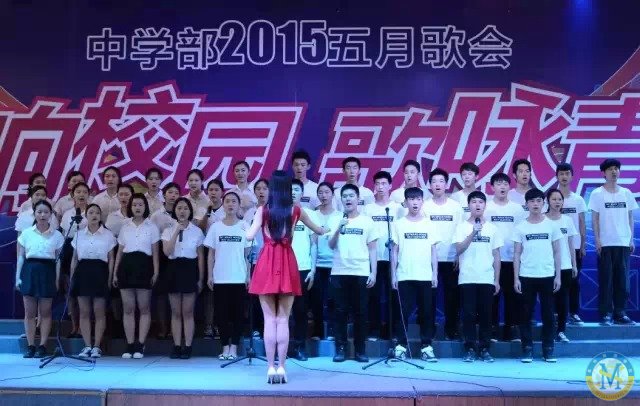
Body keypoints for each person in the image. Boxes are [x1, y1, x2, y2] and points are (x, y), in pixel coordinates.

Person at [246, 170, 326, 384]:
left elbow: (249, 235)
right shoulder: (296, 210)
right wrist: (328, 227)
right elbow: (319, 230)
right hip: (287, 261)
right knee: (283, 319)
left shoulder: (263, 210)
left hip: (266, 262)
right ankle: (282, 367)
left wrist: (254, 223)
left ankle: (270, 368)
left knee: (269, 319)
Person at [329, 184, 378, 363]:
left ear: (358, 199)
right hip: (339, 272)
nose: (348, 199)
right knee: (340, 312)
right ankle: (340, 349)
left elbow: (372, 249)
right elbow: (331, 245)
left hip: (361, 272)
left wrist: (373, 273)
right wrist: (338, 229)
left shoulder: (367, 221)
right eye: (345, 196)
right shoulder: (336, 219)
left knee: (361, 313)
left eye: (351, 196)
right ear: (341, 199)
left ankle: (360, 350)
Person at [513, 188, 562, 363]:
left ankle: (548, 349)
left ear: (543, 203)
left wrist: (558, 276)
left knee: (548, 314)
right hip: (526, 275)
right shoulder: (520, 227)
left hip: (547, 275)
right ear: (526, 204)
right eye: (532, 201)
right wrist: (516, 278)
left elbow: (557, 252)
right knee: (525, 314)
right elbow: (516, 254)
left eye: (539, 201)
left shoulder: (552, 225)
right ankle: (527, 349)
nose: (535, 204)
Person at [391, 187, 439, 362]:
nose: (415, 202)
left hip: (425, 275)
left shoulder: (429, 224)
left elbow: (434, 251)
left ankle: (426, 347)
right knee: (402, 313)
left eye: (418, 199)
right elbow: (394, 251)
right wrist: (393, 274)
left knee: (426, 313)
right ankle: (400, 346)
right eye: (411, 199)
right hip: (404, 275)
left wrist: (435, 274)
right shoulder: (398, 224)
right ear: (406, 202)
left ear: (422, 201)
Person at [589, 158, 638, 325]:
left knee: (623, 281)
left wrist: (631, 239)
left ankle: (620, 313)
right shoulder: (597, 193)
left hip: (623, 243)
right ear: (604, 173)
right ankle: (605, 314)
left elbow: (630, 217)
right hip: (605, 243)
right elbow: (595, 219)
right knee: (606, 280)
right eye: (610, 169)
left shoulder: (626, 193)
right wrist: (597, 240)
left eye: (616, 168)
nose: (614, 171)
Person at [455, 191, 502, 362]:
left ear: (485, 205)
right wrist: (473, 233)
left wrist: (496, 280)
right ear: (469, 205)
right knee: (468, 315)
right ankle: (469, 348)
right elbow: (459, 249)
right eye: (474, 202)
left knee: (486, 315)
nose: (477, 205)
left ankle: (484, 349)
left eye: (481, 202)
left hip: (486, 278)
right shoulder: (461, 227)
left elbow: (496, 255)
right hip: (467, 277)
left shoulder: (493, 228)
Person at [15, 200, 64, 358]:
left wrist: (57, 279)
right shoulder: (26, 233)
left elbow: (58, 260)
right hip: (29, 270)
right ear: (34, 214)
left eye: (46, 212)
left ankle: (42, 345)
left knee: (45, 312)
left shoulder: (57, 235)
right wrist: (17, 277)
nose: (43, 215)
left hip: (48, 271)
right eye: (39, 212)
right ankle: (30, 346)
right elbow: (21, 257)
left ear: (50, 215)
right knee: (29, 312)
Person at [113, 194, 160, 359]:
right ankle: (130, 343)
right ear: (130, 207)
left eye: (140, 204)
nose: (137, 207)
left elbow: (155, 252)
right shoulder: (125, 226)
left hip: (144, 266)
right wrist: (115, 272)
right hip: (126, 266)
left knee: (144, 307)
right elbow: (119, 252)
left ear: (145, 207)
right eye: (134, 205)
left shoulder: (152, 227)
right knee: (128, 308)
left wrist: (156, 271)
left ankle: (140, 344)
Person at [206, 192, 252, 360]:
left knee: (238, 315)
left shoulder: (245, 226)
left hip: (239, 277)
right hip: (220, 277)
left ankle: (234, 347)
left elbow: (248, 255)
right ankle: (225, 346)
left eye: (234, 201)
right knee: (221, 315)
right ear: (223, 205)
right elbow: (211, 254)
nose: (230, 204)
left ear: (239, 205)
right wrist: (210, 275)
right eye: (227, 201)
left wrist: (248, 276)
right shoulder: (215, 227)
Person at [70, 204, 116, 358]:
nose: (94, 215)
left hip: (100, 272)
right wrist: (72, 277)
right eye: (91, 212)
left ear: (101, 216)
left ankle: (97, 346)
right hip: (82, 272)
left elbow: (111, 259)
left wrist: (109, 277)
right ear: (86, 216)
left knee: (99, 312)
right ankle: (87, 345)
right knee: (84, 311)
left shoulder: (108, 235)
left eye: (97, 213)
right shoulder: (79, 234)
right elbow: (74, 258)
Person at [362, 171, 403, 340]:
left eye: (384, 183)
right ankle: (374, 329)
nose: (380, 187)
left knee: (394, 295)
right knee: (374, 296)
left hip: (393, 258)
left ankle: (393, 331)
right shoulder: (368, 208)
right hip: (374, 258)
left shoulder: (398, 208)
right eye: (377, 184)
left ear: (390, 186)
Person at [423, 168, 464, 340]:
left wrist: (458, 255)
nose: (437, 184)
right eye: (434, 181)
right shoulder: (424, 205)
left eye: (441, 181)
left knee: (452, 297)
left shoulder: (455, 207)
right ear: (430, 185)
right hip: (428, 258)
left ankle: (451, 330)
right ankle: (428, 330)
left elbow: (460, 231)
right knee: (428, 297)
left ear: (446, 184)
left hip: (451, 258)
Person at [162, 197, 205, 359]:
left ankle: (187, 345)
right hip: (173, 268)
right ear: (175, 211)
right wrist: (176, 231)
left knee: (187, 311)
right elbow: (167, 252)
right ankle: (176, 345)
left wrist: (201, 278)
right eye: (179, 208)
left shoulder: (197, 231)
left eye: (185, 208)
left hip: (190, 269)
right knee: (175, 311)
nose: (182, 211)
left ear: (190, 211)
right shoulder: (168, 229)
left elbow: (201, 257)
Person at [486, 173, 526, 342]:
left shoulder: (517, 209)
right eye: (498, 183)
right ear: (492, 187)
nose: (502, 186)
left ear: (509, 187)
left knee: (513, 296)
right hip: (490, 259)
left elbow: (523, 232)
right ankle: (492, 330)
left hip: (512, 259)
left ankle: (512, 330)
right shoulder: (486, 207)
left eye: (505, 184)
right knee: (492, 297)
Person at [289, 179, 318, 360]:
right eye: (290, 190)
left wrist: (313, 270)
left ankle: (299, 347)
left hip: (303, 268)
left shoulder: (309, 214)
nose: (293, 193)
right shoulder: (281, 214)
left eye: (296, 190)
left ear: (302, 193)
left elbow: (314, 245)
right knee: (283, 312)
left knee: (300, 310)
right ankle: (283, 347)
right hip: (284, 268)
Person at [556, 163, 587, 325]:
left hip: (574, 247)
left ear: (572, 176)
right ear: (557, 176)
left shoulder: (578, 199)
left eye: (567, 173)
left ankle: (573, 313)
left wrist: (583, 245)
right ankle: (557, 314)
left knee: (574, 281)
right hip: (556, 248)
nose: (564, 176)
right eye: (561, 174)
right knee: (556, 281)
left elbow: (582, 223)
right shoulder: (552, 198)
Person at [546, 189, 578, 343]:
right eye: (554, 199)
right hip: (546, 267)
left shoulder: (567, 220)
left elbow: (571, 244)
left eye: (560, 199)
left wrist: (574, 264)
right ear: (548, 201)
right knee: (548, 301)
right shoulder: (542, 220)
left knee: (563, 299)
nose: (557, 202)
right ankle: (549, 330)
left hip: (565, 266)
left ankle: (561, 331)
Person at [60, 182, 91, 339]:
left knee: (84, 292)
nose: (81, 194)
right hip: (69, 249)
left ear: (88, 195)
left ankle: (84, 328)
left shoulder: (92, 211)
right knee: (70, 291)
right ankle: (74, 326)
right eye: (78, 192)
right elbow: (64, 234)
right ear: (73, 195)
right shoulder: (67, 214)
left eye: (84, 192)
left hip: (86, 250)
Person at [311, 182, 341, 340]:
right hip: (316, 264)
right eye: (320, 192)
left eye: (327, 192)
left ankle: (332, 331)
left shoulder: (340, 216)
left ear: (333, 195)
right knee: (316, 299)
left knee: (333, 299)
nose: (323, 195)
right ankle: (317, 331)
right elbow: (312, 241)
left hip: (334, 264)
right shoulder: (313, 215)